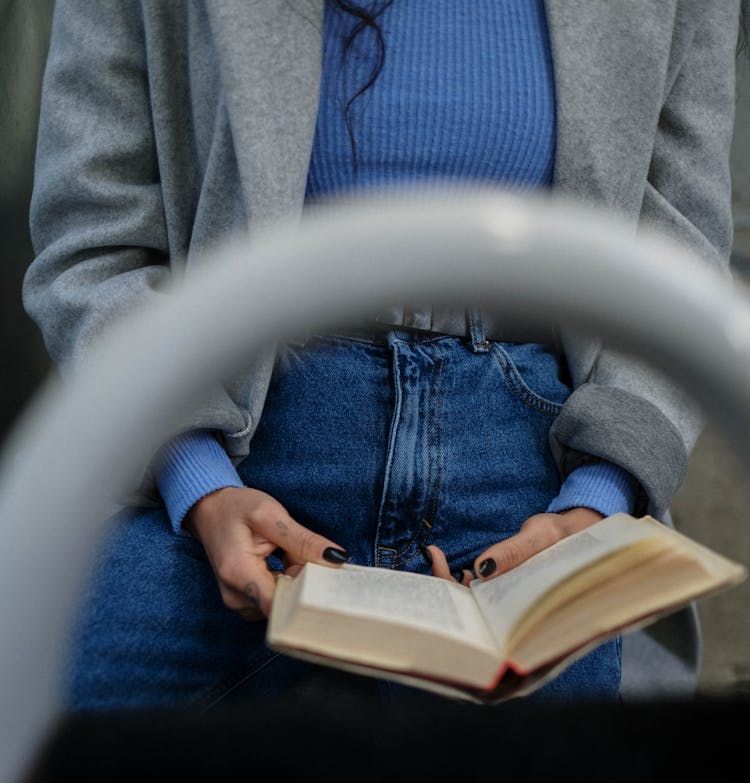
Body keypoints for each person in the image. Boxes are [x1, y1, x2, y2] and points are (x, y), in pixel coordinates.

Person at [22, 0, 744, 712]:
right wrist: (197, 480)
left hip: (536, 480)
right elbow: (95, 236)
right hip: (225, 442)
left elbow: (679, 253)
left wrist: (596, 506)